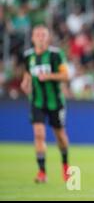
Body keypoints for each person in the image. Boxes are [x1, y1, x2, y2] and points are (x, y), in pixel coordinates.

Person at [21, 25, 71, 183]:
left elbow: (65, 76)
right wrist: (25, 83)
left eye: (43, 35)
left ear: (48, 38)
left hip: (55, 102)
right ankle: (42, 172)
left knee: (60, 137)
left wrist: (49, 76)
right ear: (32, 38)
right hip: (37, 101)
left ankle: (65, 165)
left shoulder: (56, 55)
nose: (40, 37)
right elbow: (27, 73)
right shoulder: (28, 56)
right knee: (38, 134)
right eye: (38, 35)